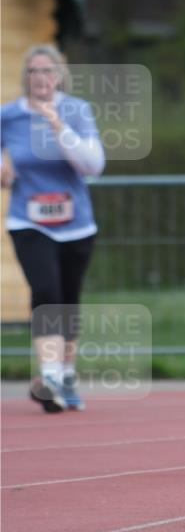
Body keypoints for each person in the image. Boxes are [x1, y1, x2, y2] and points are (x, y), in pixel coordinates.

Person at [0, 44, 105, 412]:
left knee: (68, 301)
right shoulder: (8, 116)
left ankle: (65, 374)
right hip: (28, 221)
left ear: (60, 75)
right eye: (33, 71)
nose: (40, 78)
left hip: (75, 225)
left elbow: (93, 165)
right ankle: (50, 378)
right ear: (24, 77)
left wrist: (59, 127)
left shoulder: (75, 110)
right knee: (45, 291)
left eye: (47, 71)